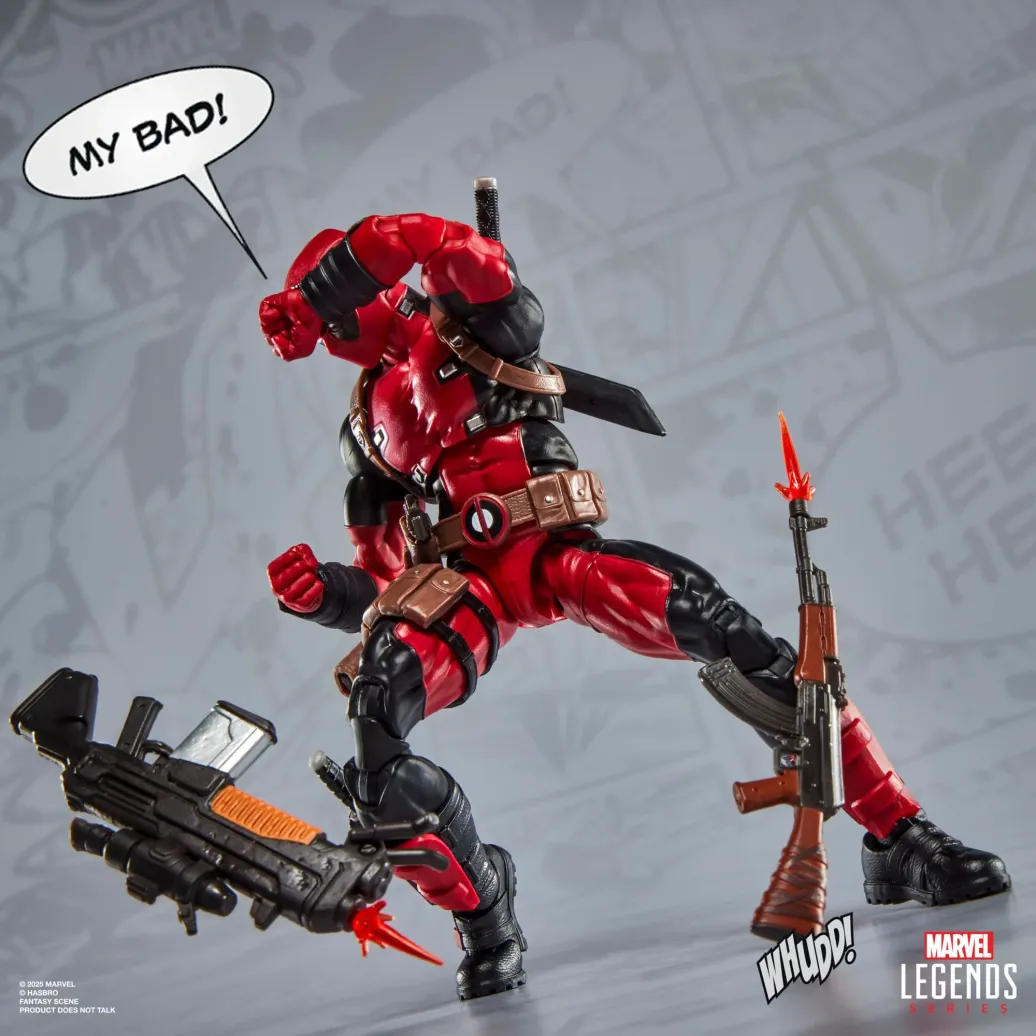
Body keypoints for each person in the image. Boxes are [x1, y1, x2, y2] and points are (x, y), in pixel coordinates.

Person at [258, 210, 1010, 1001]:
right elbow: (382, 580)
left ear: (372, 286)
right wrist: (324, 593)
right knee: (376, 724)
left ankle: (898, 835)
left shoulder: (471, 316)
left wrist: (314, 293)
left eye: (336, 302)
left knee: (730, 635)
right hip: (465, 587)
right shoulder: (364, 432)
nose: (328, 330)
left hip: (554, 552)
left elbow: (431, 238)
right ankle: (485, 912)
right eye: (319, 316)